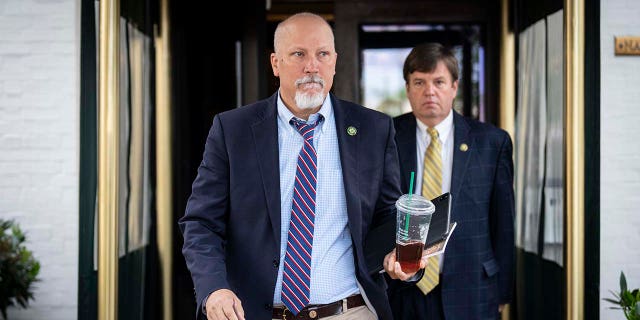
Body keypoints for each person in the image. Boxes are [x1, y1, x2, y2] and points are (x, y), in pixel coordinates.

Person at [179, 12, 415, 320]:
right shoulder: (232, 130)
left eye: (322, 54)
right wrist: (214, 288)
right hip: (256, 313)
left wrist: (399, 252)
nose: (312, 66)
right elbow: (201, 223)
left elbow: (386, 214)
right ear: (275, 63)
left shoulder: (373, 129)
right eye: (299, 54)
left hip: (349, 311)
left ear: (334, 61)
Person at [388, 42, 515, 319]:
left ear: (454, 87)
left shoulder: (491, 142)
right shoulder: (387, 137)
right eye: (419, 82)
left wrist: (502, 291)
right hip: (402, 290)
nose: (429, 91)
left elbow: (503, 222)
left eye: (439, 81)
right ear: (408, 88)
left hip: (473, 288)